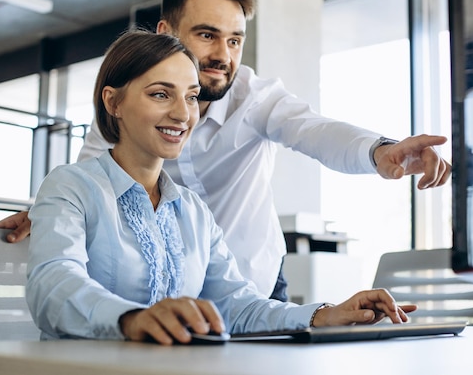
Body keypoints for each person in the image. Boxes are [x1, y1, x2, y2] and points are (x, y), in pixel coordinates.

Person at [0, 0, 451, 302]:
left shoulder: (256, 96)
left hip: (253, 287)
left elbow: (314, 130)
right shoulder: (125, 108)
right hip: (167, 291)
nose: (223, 55)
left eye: (234, 40)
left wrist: (382, 151)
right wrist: (54, 213)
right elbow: (92, 175)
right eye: (207, 35)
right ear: (166, 33)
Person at [27, 29, 417, 344]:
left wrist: (326, 314)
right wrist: (131, 320)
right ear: (113, 102)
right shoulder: (70, 187)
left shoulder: (193, 211)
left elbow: (235, 306)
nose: (183, 114)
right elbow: (53, 285)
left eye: (192, 97)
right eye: (161, 94)